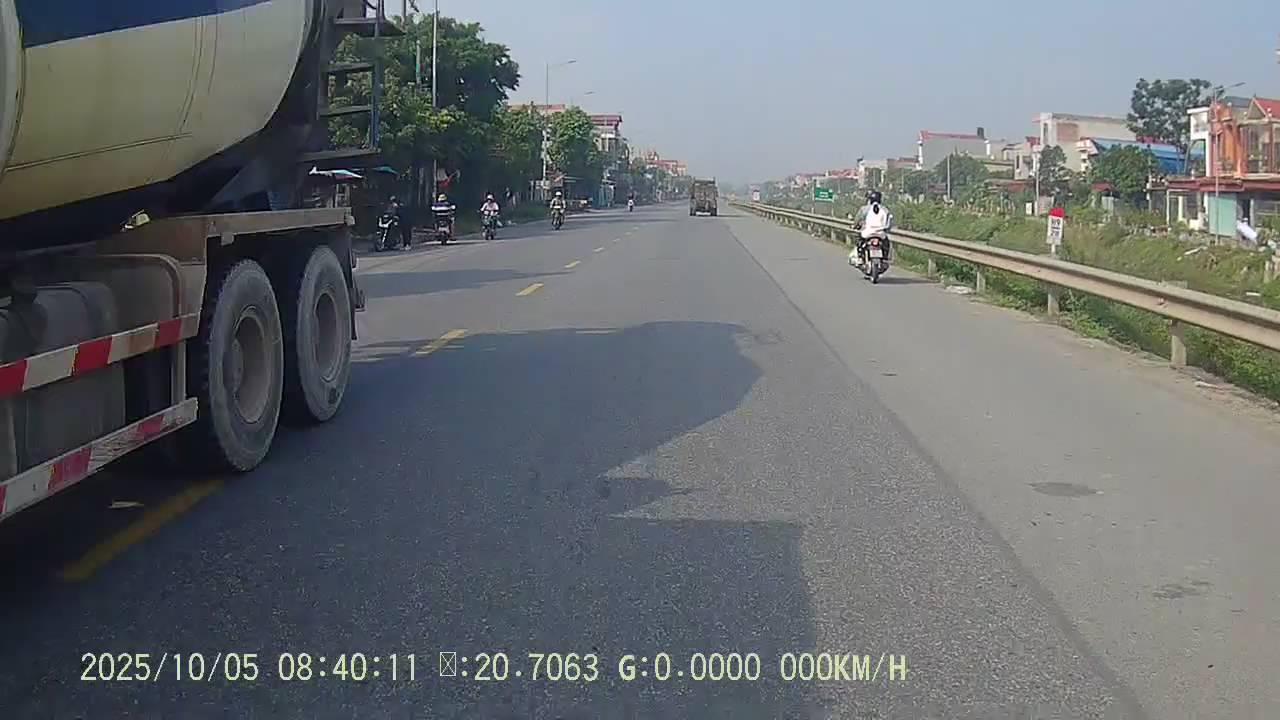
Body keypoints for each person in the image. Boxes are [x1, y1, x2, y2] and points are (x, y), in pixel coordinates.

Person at [850, 190, 893, 267]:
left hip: (867, 233)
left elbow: (858, 219)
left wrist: (855, 225)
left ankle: (860, 257)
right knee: (886, 244)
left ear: (869, 200)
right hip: (880, 234)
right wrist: (886, 229)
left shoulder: (864, 209)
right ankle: (885, 258)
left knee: (859, 242)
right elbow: (888, 222)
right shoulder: (885, 209)